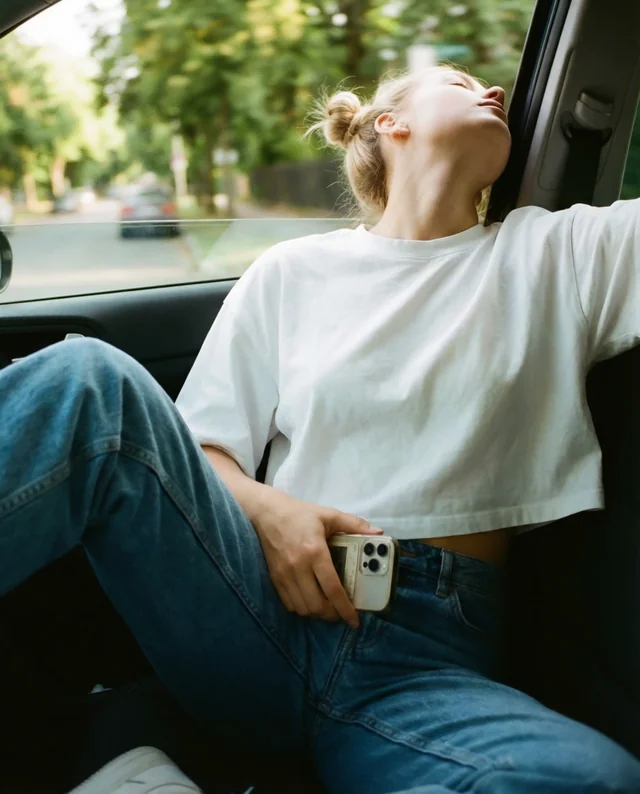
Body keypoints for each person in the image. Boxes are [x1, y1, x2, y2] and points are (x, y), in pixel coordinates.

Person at [2, 65, 640, 794]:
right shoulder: (293, 271)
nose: (492, 91)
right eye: (459, 82)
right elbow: (205, 448)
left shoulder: (562, 253)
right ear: (387, 124)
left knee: (590, 781)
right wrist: (273, 512)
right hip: (250, 606)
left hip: (425, 669)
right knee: (88, 384)